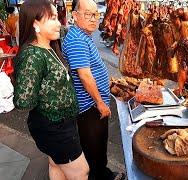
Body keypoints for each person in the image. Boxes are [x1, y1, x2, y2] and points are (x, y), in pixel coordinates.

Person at [13, 0, 89, 179]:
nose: (59, 23)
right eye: (53, 18)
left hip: (62, 123)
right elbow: (23, 101)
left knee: (55, 165)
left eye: (57, 17)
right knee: (81, 172)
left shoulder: (49, 46)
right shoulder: (33, 55)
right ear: (35, 23)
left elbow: (70, 29)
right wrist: (47, 94)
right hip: (54, 127)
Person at [62, 0, 125, 179]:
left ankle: (104, 174)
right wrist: (100, 103)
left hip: (94, 105)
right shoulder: (76, 40)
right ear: (75, 16)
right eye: (88, 14)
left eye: (96, 14)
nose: (94, 19)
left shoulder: (82, 36)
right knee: (94, 150)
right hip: (90, 107)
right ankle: (100, 176)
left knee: (98, 148)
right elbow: (85, 76)